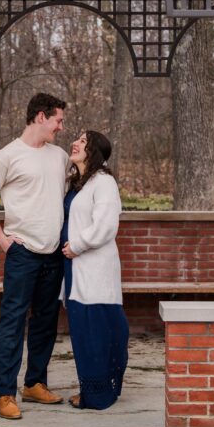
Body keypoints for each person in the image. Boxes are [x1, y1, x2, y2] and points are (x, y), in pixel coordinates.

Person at [0, 92, 71, 420]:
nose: (61, 126)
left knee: (46, 322)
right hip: (22, 254)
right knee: (12, 322)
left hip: (53, 254)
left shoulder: (59, 157)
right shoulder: (7, 156)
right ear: (41, 117)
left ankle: (35, 383)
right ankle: (5, 393)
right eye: (58, 119)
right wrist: (2, 239)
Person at [61, 130, 129, 410]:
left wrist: (77, 244)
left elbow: (106, 226)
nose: (75, 143)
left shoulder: (103, 182)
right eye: (77, 138)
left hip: (94, 270)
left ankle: (99, 394)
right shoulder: (78, 183)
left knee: (98, 332)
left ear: (94, 152)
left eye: (83, 141)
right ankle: (90, 389)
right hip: (76, 269)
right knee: (83, 333)